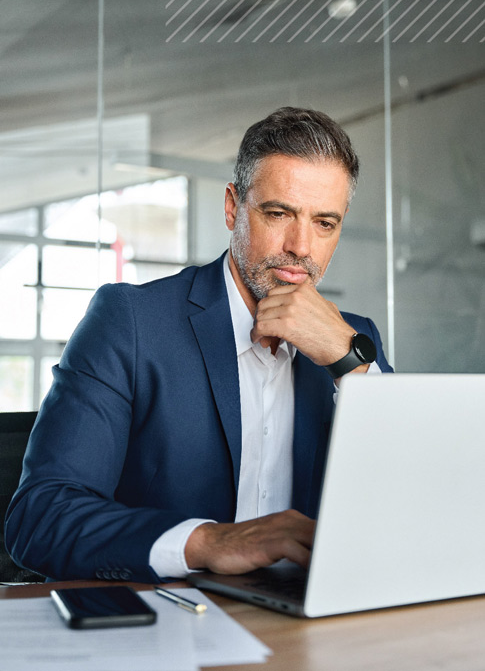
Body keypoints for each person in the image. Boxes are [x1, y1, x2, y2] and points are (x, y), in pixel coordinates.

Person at [5, 107, 392, 583]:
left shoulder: (356, 340)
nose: (301, 247)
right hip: (166, 624)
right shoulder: (131, 322)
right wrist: (209, 542)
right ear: (233, 207)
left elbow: (414, 503)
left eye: (324, 223)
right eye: (278, 213)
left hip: (307, 625)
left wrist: (348, 359)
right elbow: (39, 519)